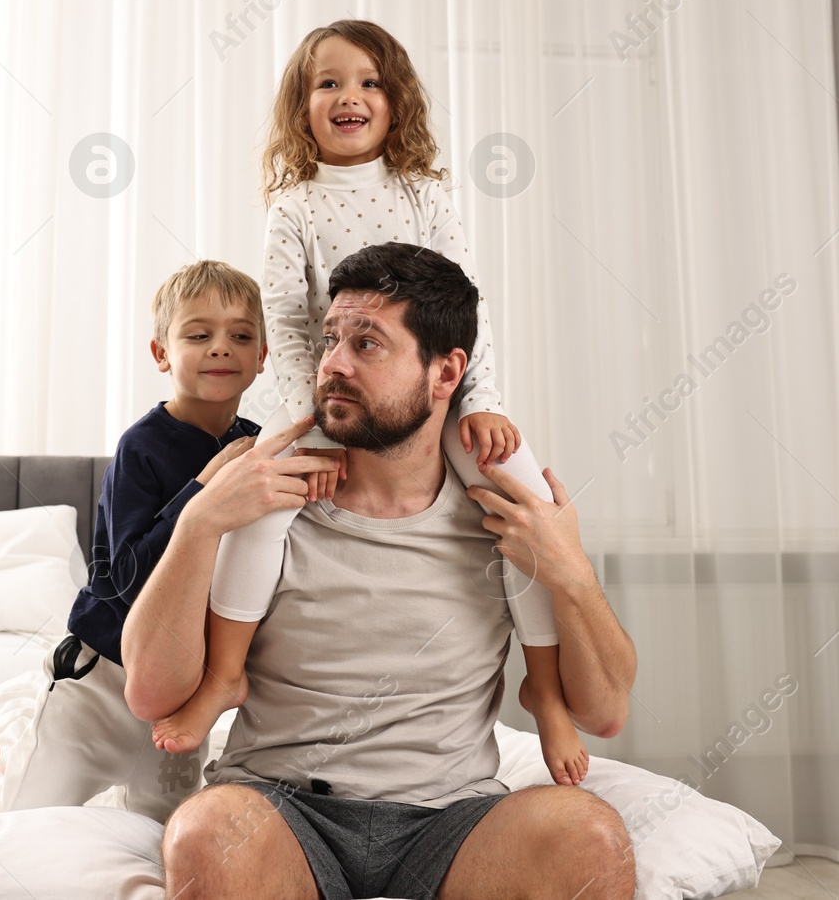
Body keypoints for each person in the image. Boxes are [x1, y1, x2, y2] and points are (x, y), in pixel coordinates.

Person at [123, 243, 639, 900]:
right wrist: (196, 524)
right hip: (283, 808)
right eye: (330, 338)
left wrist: (572, 569)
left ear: (446, 372)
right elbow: (150, 693)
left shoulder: (502, 511)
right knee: (203, 830)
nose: (332, 363)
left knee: (590, 837)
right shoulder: (269, 489)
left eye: (367, 344)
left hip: (455, 821)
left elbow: (606, 710)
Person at [149, 19, 589, 788]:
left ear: (396, 103)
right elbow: (286, 322)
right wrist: (303, 425)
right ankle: (225, 674)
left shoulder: (424, 195)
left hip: (426, 398)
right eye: (328, 83)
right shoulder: (294, 208)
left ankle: (545, 690)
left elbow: (466, 306)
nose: (348, 96)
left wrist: (482, 400)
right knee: (261, 512)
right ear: (302, 106)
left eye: (368, 82)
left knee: (518, 501)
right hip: (333, 401)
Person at [0, 260, 311, 823]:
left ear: (263, 358)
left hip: (181, 688)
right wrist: (204, 490)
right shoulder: (142, 449)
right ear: (161, 354)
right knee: (14, 818)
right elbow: (124, 577)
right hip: (98, 679)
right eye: (199, 335)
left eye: (241, 336)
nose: (222, 347)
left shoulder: (257, 448)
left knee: (160, 828)